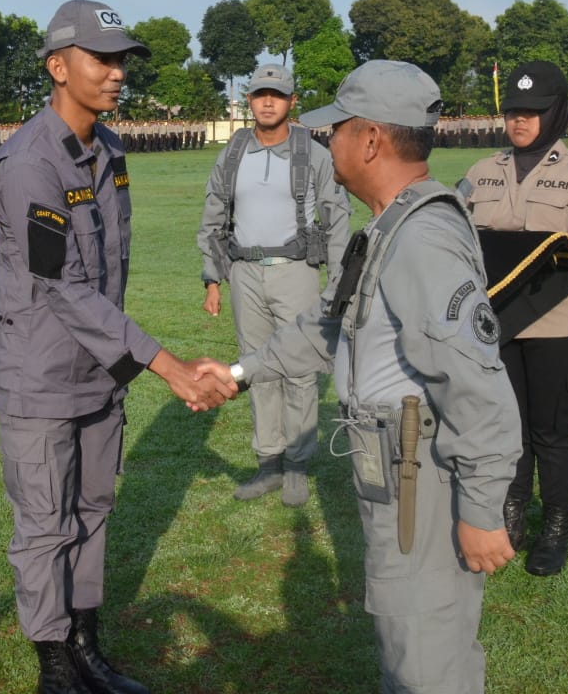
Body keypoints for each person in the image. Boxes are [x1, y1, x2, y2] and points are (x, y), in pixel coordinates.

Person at [199, 60, 521, 693]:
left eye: (338, 130)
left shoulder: (421, 239)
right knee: (404, 638)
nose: (329, 141)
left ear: (371, 139)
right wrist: (239, 372)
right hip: (391, 469)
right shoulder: (388, 227)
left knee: (426, 657)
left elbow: (478, 387)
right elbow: (327, 326)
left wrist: (482, 510)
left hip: (418, 474)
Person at [0, 0, 232, 694]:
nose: (117, 73)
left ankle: (88, 646)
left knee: (94, 511)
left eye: (122, 59)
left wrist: (127, 364)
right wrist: (167, 365)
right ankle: (55, 667)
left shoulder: (111, 150)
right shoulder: (27, 164)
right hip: (38, 374)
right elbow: (62, 287)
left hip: (98, 371)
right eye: (102, 58)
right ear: (58, 67)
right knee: (44, 525)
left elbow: (108, 279)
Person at [458, 60, 568, 576]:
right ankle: (510, 512)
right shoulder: (480, 173)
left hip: (560, 326)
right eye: (514, 110)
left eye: (532, 111)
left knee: (552, 432)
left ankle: (555, 527)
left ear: (555, 111)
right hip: (496, 323)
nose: (520, 120)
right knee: (505, 428)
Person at [197, 62, 351, 506]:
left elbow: (338, 221)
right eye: (260, 93)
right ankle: (268, 462)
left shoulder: (314, 154)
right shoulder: (231, 153)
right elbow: (212, 218)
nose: (268, 101)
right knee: (257, 369)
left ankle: (298, 465)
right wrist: (213, 279)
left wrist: (337, 285)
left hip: (296, 271)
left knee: (301, 371)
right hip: (245, 273)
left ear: (291, 102)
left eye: (277, 95)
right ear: (249, 100)